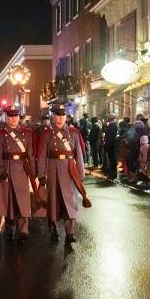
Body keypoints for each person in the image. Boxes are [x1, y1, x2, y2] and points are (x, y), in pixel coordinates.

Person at [37, 101, 88, 243]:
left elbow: (78, 155)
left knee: (70, 201)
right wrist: (41, 174)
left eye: (62, 115)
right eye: (57, 115)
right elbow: (41, 155)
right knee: (53, 201)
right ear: (53, 116)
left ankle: (70, 232)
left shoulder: (74, 133)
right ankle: (53, 230)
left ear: (66, 116)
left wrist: (81, 174)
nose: (59, 118)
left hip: (69, 169)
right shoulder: (47, 133)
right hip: (52, 168)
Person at [0, 105, 36, 242]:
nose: (14, 119)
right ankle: (10, 228)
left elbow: (31, 156)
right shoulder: (1, 134)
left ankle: (24, 230)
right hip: (7, 170)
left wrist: (33, 174)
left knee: (23, 202)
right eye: (11, 116)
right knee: (9, 202)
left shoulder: (27, 133)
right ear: (7, 117)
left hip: (22, 170)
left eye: (16, 116)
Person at [104, 114, 118, 180]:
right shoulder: (113, 125)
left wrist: (107, 146)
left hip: (111, 145)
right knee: (112, 160)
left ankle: (113, 174)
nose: (107, 119)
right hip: (112, 145)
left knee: (112, 160)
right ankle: (113, 174)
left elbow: (109, 137)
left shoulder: (111, 126)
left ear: (110, 119)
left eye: (108, 118)